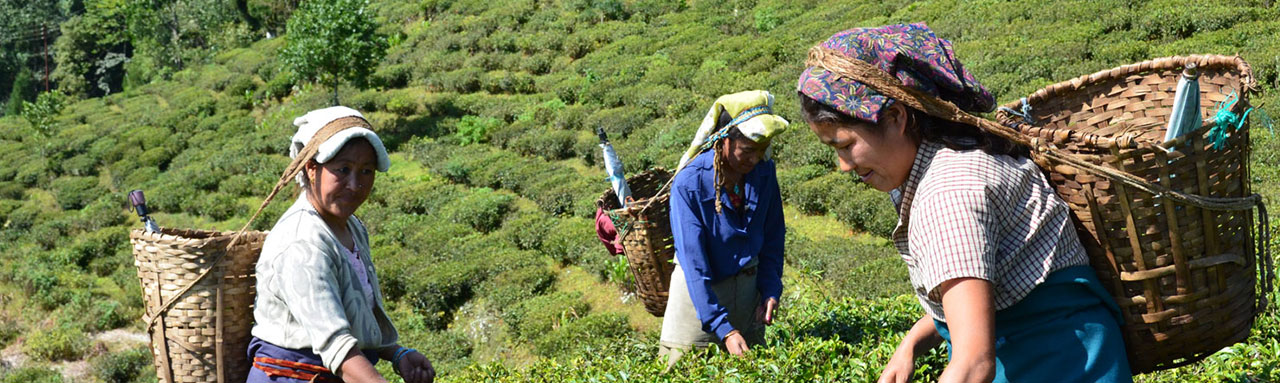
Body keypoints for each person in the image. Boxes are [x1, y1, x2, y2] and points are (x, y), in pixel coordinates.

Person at [795, 24, 1132, 383]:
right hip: (1081, 355)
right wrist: (911, 343)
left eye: (845, 145)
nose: (844, 165)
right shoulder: (962, 150)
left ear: (896, 117)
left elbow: (974, 364)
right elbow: (986, 288)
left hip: (1056, 367)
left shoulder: (948, 194)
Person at [248, 106, 435, 383]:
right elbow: (336, 346)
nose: (355, 184)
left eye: (366, 171)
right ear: (312, 168)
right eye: (343, 169)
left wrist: (397, 353)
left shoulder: (352, 227)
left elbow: (355, 315)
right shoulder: (302, 242)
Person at [659, 90, 789, 370]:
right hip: (698, 300)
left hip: (746, 292)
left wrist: (770, 287)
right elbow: (694, 265)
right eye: (747, 151)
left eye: (762, 149)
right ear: (722, 140)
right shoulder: (689, 184)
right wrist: (724, 328)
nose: (755, 159)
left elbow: (773, 236)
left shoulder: (764, 172)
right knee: (686, 371)